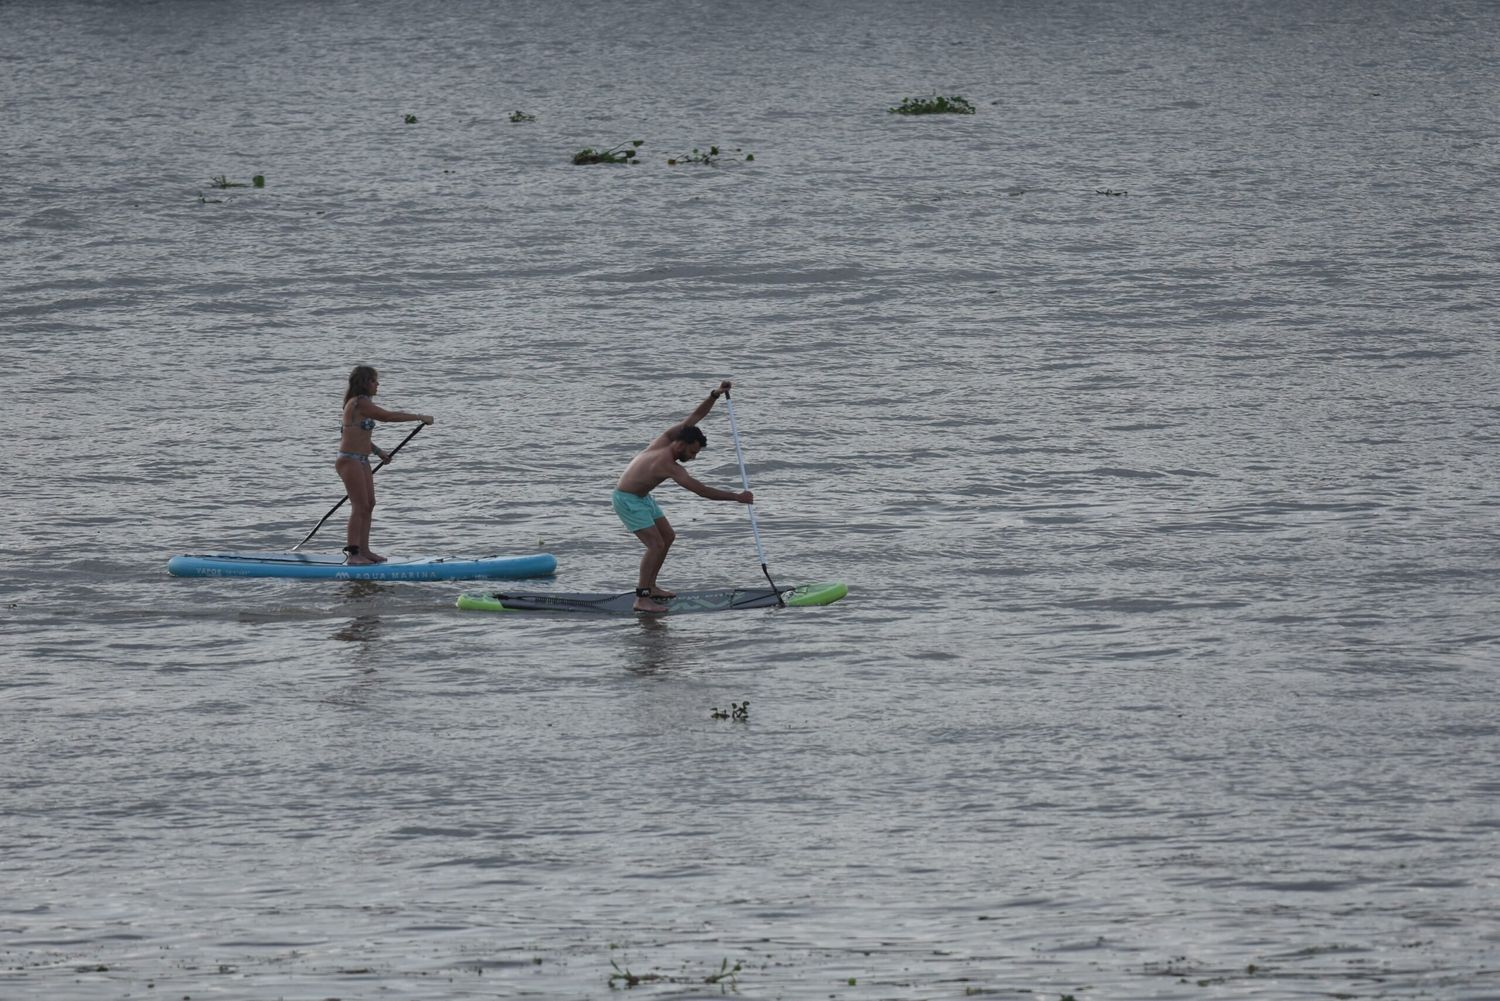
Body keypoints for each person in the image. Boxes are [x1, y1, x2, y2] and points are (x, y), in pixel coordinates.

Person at [614, 380, 753, 612]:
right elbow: (701, 490)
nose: (693, 457)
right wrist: (736, 497)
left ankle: (652, 586)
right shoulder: (668, 465)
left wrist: (715, 395)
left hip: (642, 497)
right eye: (692, 452)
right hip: (626, 499)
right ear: (682, 445)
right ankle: (642, 598)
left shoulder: (669, 437)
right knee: (656, 545)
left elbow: (696, 415)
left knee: (668, 537)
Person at [336, 365, 434, 565]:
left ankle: (365, 550)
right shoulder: (358, 403)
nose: (378, 384)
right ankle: (353, 554)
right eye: (374, 380)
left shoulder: (364, 403)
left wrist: (378, 452)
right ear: (364, 383)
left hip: (362, 460)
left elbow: (358, 436)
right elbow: (387, 417)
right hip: (349, 460)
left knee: (370, 504)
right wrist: (418, 416)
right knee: (359, 505)